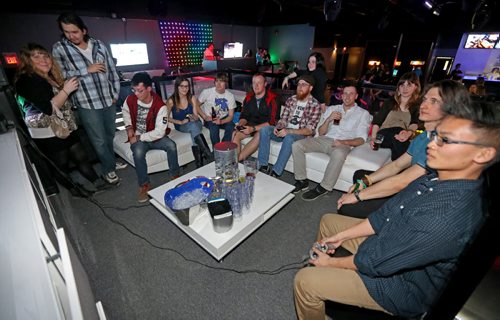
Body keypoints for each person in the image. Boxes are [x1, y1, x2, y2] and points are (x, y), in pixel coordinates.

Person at [294, 101, 500, 319]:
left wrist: (332, 263)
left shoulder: (448, 216)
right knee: (330, 222)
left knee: (305, 282)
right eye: (435, 136)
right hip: (385, 247)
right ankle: (324, 273)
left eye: (445, 140)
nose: (431, 145)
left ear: (483, 154)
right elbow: (384, 216)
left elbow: (377, 262)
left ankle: (321, 278)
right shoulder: (434, 177)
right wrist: (340, 237)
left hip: (399, 288)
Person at [337, 80, 471, 218]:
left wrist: (359, 196)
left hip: (420, 203)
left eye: (434, 101)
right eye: (424, 99)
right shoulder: (424, 135)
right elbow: (397, 165)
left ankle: (387, 226)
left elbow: (403, 181)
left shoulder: (445, 141)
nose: (424, 105)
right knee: (360, 176)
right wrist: (366, 182)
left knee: (348, 207)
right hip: (410, 187)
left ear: (451, 108)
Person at [15, 43, 113, 195]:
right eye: (36, 57)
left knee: (80, 155)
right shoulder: (27, 80)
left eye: (45, 56)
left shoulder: (47, 76)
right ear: (27, 60)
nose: (44, 60)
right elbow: (49, 108)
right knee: (61, 163)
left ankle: (97, 181)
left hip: (64, 125)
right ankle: (74, 189)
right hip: (48, 131)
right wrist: (66, 90)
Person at [52, 12, 122, 185]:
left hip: (108, 99)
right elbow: (59, 75)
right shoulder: (60, 48)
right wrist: (86, 70)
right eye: (66, 32)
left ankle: (110, 160)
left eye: (74, 31)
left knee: (110, 134)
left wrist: (115, 94)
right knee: (98, 140)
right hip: (86, 102)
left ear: (84, 30)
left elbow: (112, 71)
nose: (71, 35)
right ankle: (108, 169)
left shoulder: (99, 45)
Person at [292, 83, 371, 201]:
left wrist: (343, 142)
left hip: (343, 143)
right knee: (297, 145)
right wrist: (328, 119)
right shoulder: (333, 108)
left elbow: (361, 139)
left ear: (356, 96)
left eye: (351, 93)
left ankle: (324, 187)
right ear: (341, 95)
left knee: (339, 154)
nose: (347, 96)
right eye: (345, 93)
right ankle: (302, 180)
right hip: (325, 139)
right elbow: (321, 132)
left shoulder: (363, 114)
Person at [122, 72, 180, 203]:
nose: (136, 94)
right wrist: (129, 127)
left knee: (171, 145)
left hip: (154, 136)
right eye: (134, 90)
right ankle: (144, 185)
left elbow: (160, 132)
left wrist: (138, 137)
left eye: (140, 91)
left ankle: (174, 176)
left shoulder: (161, 106)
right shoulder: (130, 99)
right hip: (139, 137)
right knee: (137, 152)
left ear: (149, 89)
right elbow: (125, 111)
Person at [257, 75, 321, 177]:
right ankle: (263, 165)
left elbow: (309, 130)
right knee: (265, 130)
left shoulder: (315, 105)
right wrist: (279, 126)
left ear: (311, 88)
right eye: (299, 84)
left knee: (289, 137)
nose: (300, 87)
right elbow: (284, 119)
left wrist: (289, 131)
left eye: (304, 84)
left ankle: (276, 171)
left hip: (301, 136)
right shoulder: (291, 100)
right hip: (286, 131)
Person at [369, 72, 421, 160]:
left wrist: (408, 133)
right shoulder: (390, 102)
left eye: (409, 85)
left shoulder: (416, 106)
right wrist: (373, 138)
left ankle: (397, 168)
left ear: (415, 87)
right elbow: (377, 121)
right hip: (383, 136)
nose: (405, 88)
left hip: (402, 136)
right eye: (402, 85)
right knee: (399, 131)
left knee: (400, 138)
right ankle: (404, 168)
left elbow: (414, 123)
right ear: (398, 87)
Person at [166, 76, 213, 168]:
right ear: (177, 87)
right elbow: (165, 117)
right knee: (194, 128)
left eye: (186, 86)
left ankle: (200, 164)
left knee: (194, 126)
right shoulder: (171, 100)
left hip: (195, 123)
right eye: (182, 86)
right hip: (181, 126)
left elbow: (196, 115)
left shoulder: (192, 98)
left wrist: (193, 117)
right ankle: (209, 157)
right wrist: (179, 122)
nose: (185, 89)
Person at [232, 73, 280, 161]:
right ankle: (235, 161)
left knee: (260, 134)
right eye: (254, 83)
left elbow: (272, 122)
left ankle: (237, 160)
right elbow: (244, 115)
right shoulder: (249, 97)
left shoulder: (273, 99)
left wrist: (253, 129)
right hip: (251, 126)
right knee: (235, 134)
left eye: (259, 83)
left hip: (265, 128)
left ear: (265, 84)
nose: (256, 86)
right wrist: (240, 124)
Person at [197, 72, 236, 146]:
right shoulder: (207, 92)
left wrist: (221, 121)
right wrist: (204, 116)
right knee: (214, 127)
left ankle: (224, 146)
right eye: (217, 81)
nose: (218, 84)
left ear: (226, 83)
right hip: (210, 119)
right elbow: (196, 104)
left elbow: (230, 116)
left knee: (231, 126)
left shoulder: (230, 96)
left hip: (223, 118)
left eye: (221, 81)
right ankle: (217, 150)